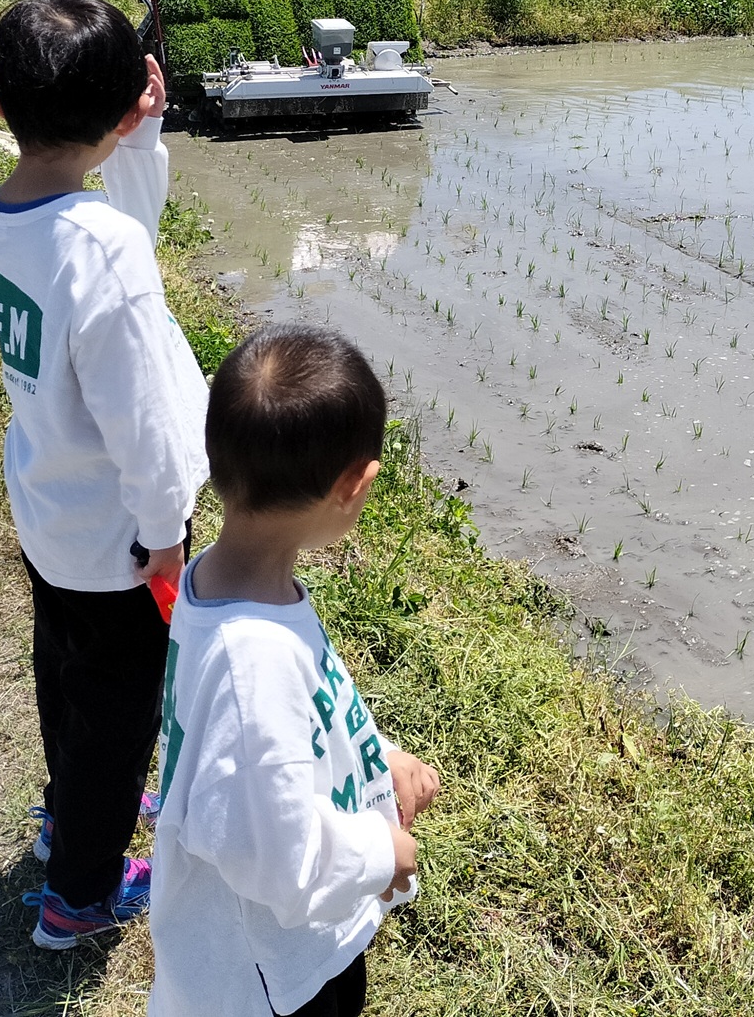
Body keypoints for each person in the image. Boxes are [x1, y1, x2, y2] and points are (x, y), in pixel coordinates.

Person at [0, 0, 211, 949]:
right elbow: (144, 420)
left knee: (66, 684)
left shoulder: (8, 213)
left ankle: (65, 825)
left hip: (50, 512)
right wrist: (166, 533)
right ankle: (80, 898)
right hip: (119, 537)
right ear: (121, 107)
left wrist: (138, 144)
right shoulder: (99, 249)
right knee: (117, 722)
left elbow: (120, 241)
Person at [147, 324, 441, 1017]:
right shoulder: (253, 657)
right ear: (355, 484)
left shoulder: (228, 588)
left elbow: (298, 729)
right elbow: (270, 854)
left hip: (281, 955)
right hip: (269, 976)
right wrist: (382, 852)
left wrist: (379, 759)